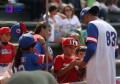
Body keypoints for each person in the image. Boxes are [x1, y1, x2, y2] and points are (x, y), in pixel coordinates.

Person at [79, 6, 119, 84]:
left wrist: (84, 61)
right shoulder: (112, 28)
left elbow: (91, 48)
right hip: (110, 71)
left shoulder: (92, 24)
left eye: (84, 20)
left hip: (97, 71)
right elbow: (116, 53)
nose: (85, 23)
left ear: (86, 16)